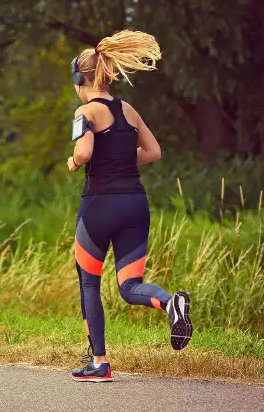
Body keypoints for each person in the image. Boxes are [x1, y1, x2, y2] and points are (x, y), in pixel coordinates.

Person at [67, 30, 192, 383]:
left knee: (89, 283)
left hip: (99, 207)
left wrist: (76, 162)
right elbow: (154, 152)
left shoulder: (85, 111)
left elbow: (85, 151)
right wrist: (121, 158)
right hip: (136, 205)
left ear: (80, 78)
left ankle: (100, 363)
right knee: (129, 285)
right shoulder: (128, 110)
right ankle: (170, 303)